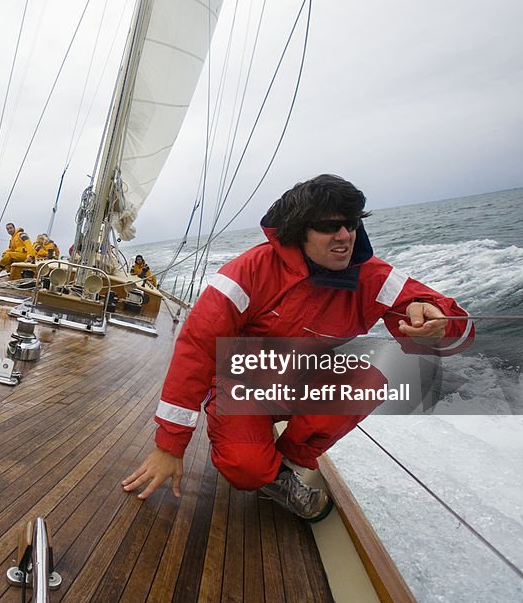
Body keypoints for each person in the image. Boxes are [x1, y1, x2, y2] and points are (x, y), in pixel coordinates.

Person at [121, 174, 475, 520]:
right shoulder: (249, 273)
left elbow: (455, 326)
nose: (345, 236)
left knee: (367, 381)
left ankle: (289, 464)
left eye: (351, 224)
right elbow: (196, 349)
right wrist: (170, 445)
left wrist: (438, 326)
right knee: (246, 470)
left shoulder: (371, 277)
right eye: (328, 226)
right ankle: (268, 473)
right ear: (298, 229)